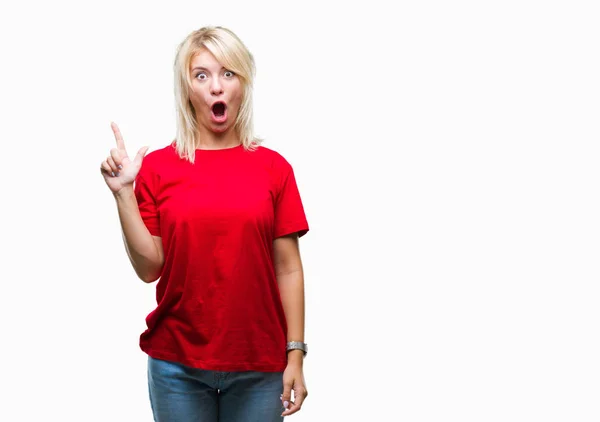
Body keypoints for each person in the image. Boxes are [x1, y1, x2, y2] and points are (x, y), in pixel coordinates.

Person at [100, 26, 309, 421]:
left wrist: (295, 353)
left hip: (259, 366)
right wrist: (123, 194)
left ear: (242, 84)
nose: (216, 86)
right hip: (176, 364)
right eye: (202, 75)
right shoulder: (158, 168)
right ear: (187, 89)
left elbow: (289, 268)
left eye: (228, 73)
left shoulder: (274, 169)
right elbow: (149, 268)